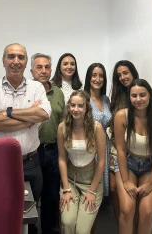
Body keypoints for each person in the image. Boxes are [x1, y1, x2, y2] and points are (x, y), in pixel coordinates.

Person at [0, 43, 51, 234]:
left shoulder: (37, 87)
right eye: (11, 56)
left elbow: (43, 115)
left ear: (26, 61)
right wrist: (29, 119)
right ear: (3, 60)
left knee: (29, 215)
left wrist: (9, 112)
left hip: (30, 162)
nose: (16, 61)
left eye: (21, 57)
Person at [114, 79, 152, 234]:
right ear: (129, 97)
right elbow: (120, 149)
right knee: (127, 209)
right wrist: (125, 180)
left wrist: (151, 183)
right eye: (134, 96)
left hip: (150, 166)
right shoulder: (122, 116)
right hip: (128, 163)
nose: (138, 99)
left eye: (142, 95)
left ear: (150, 96)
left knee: (146, 212)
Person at [58, 90, 106, 234]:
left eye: (80, 106)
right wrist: (66, 189)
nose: (76, 109)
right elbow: (61, 158)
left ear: (86, 108)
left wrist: (92, 191)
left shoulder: (96, 128)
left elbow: (102, 161)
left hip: (91, 181)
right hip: (71, 180)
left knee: (82, 231)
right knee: (67, 223)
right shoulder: (62, 127)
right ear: (68, 107)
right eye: (73, 105)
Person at [30, 53, 64, 234]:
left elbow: (63, 120)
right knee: (33, 196)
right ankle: (32, 230)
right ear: (31, 71)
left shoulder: (57, 92)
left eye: (47, 67)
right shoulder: (26, 90)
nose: (43, 71)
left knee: (51, 196)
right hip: (32, 152)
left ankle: (50, 230)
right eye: (39, 67)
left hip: (53, 150)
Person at [108, 60, 139, 224]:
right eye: (119, 75)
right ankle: (120, 222)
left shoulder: (139, 93)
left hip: (130, 151)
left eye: (125, 73)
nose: (122, 77)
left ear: (133, 72)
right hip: (114, 148)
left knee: (127, 196)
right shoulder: (117, 96)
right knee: (112, 189)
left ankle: (126, 224)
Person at [83, 63, 111, 233]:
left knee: (98, 196)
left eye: (101, 75)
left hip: (104, 149)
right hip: (87, 148)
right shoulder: (82, 98)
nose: (97, 79)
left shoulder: (106, 99)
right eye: (94, 75)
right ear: (88, 77)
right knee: (87, 194)